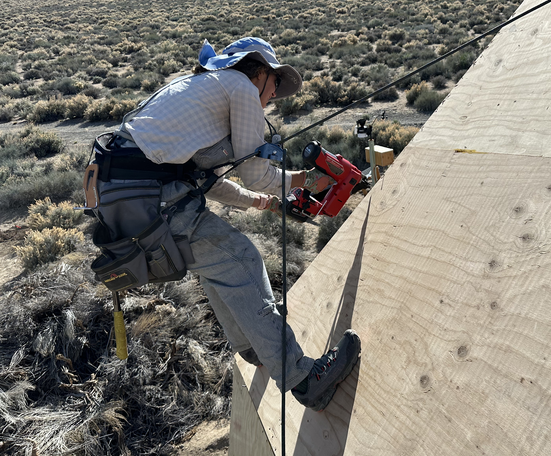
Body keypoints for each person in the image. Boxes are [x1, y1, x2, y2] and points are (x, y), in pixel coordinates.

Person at [101, 37, 361, 411]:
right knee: (240, 259)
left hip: (127, 198)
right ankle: (304, 380)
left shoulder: (207, 92)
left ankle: (254, 345)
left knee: (218, 266)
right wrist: (306, 180)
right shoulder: (239, 87)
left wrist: (267, 203)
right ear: (259, 73)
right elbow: (256, 173)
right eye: (274, 87)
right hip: (150, 199)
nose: (272, 99)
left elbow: (211, 183)